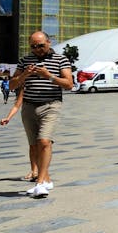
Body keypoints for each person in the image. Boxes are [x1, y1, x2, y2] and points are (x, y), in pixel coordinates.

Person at [8, 31, 73, 198]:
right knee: (35, 146)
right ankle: (46, 179)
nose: (37, 49)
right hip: (29, 106)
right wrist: (24, 74)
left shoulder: (61, 59)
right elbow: (12, 86)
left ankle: (40, 182)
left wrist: (49, 76)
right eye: (33, 46)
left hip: (51, 104)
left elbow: (69, 84)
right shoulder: (25, 61)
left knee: (44, 141)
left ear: (49, 42)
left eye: (41, 45)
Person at [0, 87, 37, 181]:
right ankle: (34, 170)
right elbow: (17, 105)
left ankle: (42, 171)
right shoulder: (25, 88)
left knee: (44, 143)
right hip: (29, 116)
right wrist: (8, 118)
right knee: (33, 145)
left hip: (46, 115)